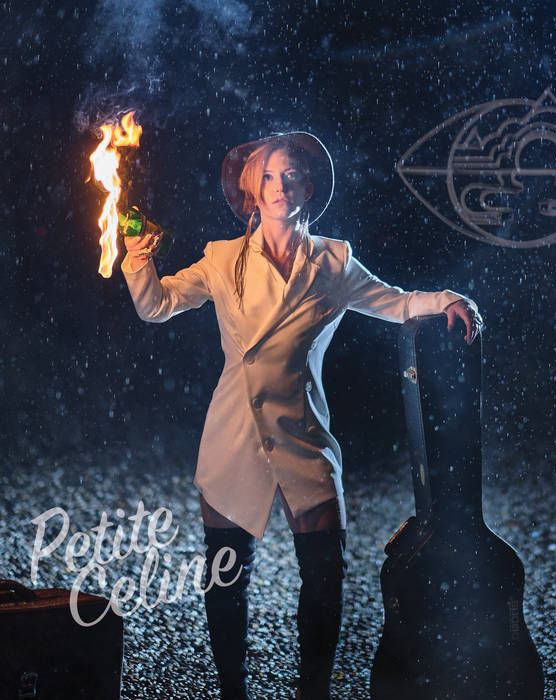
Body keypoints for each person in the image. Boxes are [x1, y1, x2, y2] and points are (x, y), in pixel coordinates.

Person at [121, 132, 482, 700]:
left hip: (302, 431)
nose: (279, 186)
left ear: (308, 187)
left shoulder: (333, 261)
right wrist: (139, 257)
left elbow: (395, 301)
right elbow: (155, 305)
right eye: (267, 176)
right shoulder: (222, 259)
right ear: (250, 191)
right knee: (227, 576)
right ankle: (232, 692)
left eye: (290, 175)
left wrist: (448, 300)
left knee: (324, 578)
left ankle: (312, 692)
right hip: (234, 433)